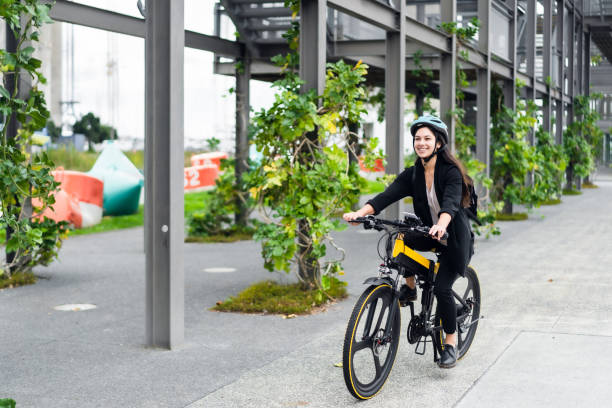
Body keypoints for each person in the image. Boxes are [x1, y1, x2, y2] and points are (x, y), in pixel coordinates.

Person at [343, 115, 474, 369]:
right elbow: (387, 195)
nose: (421, 143)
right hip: (429, 231)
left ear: (438, 143)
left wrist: (441, 224)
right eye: (417, 139)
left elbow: (450, 203)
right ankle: (411, 288)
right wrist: (361, 213)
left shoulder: (451, 173)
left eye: (427, 138)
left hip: (453, 239)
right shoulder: (413, 174)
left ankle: (450, 342)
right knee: (399, 238)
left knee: (442, 289)